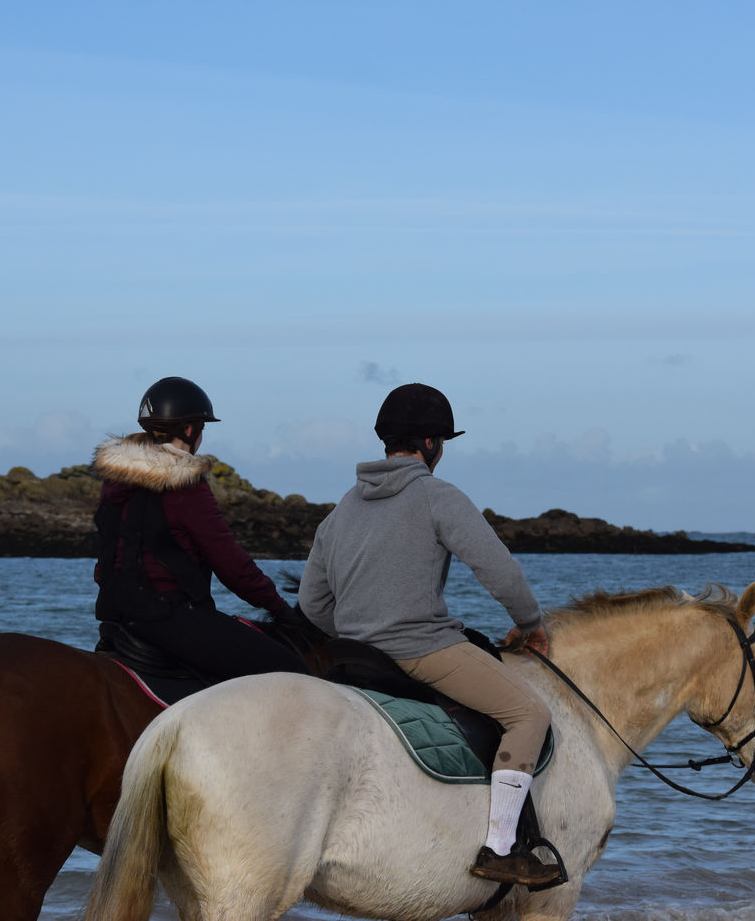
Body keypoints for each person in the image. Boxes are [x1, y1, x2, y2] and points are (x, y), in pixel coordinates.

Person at [298, 382, 564, 887]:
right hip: (421, 652)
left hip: (353, 656)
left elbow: (312, 605)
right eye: (442, 443)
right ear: (430, 445)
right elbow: (499, 572)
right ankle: (500, 849)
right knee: (529, 713)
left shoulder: (340, 512)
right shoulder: (437, 495)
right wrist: (530, 624)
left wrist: (359, 630)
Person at [91, 376, 308, 682]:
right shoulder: (185, 485)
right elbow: (232, 566)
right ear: (191, 430)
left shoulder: (114, 480)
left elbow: (106, 561)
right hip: (170, 620)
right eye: (202, 429)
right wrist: (283, 610)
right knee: (296, 674)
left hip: (115, 616)